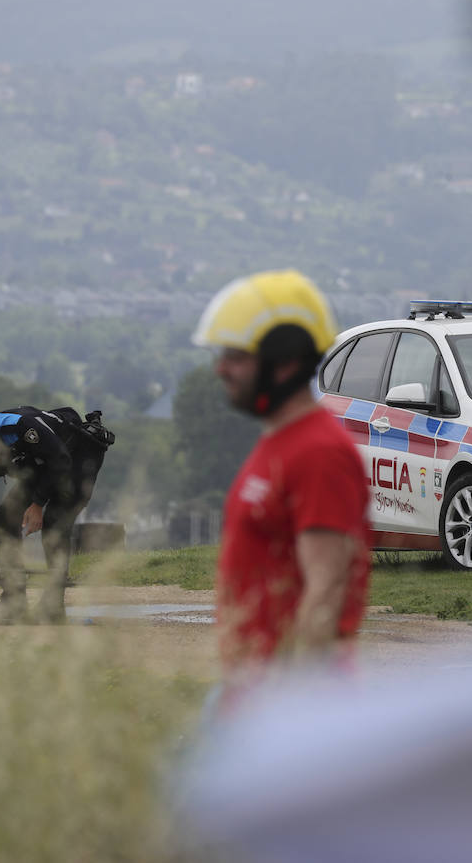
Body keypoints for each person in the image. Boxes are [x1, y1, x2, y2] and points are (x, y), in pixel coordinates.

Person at [192, 270, 371, 702]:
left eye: (236, 357)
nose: (221, 368)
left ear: (286, 361)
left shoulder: (318, 452)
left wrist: (289, 709)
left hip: (284, 695)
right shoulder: (280, 440)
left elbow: (326, 589)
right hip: (250, 686)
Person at [0, 407, 111, 622]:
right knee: (3, 520)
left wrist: (37, 504)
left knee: (55, 522)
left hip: (76, 458)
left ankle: (53, 605)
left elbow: (60, 460)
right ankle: (14, 601)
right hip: (41, 468)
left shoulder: (20, 426)